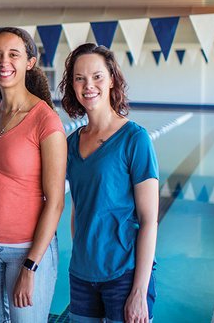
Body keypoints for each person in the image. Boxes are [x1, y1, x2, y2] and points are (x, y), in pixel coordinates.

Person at [0, 27, 67, 322]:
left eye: (13, 54)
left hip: (27, 251)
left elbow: (56, 202)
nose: (4, 62)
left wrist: (31, 266)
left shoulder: (46, 121)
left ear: (29, 62)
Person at [58, 43, 158, 323]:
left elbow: (150, 220)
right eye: (80, 78)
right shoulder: (71, 143)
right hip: (81, 273)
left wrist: (139, 290)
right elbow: (78, 207)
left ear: (112, 79)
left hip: (124, 274)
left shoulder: (134, 139)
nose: (88, 85)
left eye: (97, 76)